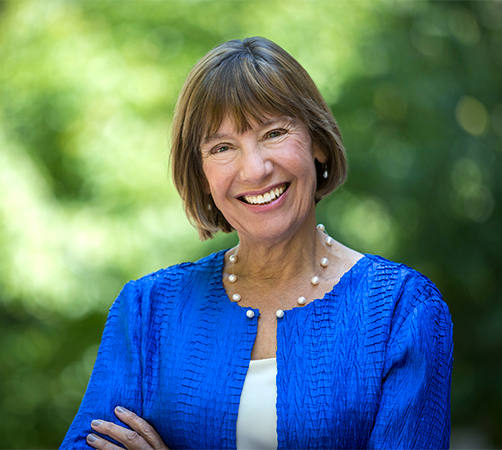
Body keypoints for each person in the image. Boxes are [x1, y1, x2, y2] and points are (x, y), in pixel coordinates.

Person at [61, 37, 453, 450]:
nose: (255, 169)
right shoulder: (147, 310)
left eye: (274, 133)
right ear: (202, 175)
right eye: (223, 147)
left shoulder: (401, 311)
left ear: (317, 143)